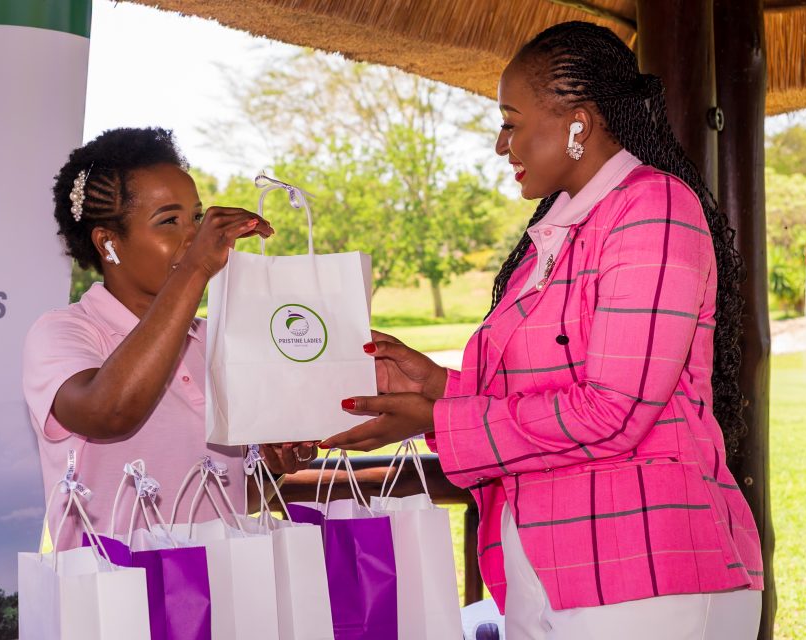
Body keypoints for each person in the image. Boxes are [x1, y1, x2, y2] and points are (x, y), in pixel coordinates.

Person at [323, 22, 763, 639]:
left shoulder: (654, 210)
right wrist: (440, 388)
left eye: (511, 122)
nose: (501, 145)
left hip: (645, 575)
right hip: (547, 567)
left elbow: (614, 410)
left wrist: (438, 418)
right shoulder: (554, 235)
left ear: (578, 123)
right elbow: (544, 398)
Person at [23, 127, 316, 547]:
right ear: (108, 243)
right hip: (118, 585)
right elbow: (109, 412)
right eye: (169, 221)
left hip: (224, 577)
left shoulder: (216, 340)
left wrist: (273, 465)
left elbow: (235, 498)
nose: (193, 237)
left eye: (196, 218)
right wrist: (196, 269)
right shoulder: (63, 333)